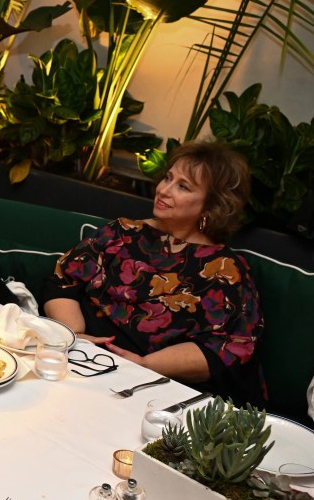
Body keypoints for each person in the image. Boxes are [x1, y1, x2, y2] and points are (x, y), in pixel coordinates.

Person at [42, 141, 266, 405]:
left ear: (212, 206)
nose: (163, 190)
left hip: (152, 389)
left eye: (183, 186)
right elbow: (63, 280)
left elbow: (229, 348)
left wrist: (144, 364)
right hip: (79, 360)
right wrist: (75, 336)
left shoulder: (226, 269)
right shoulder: (122, 232)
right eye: (168, 178)